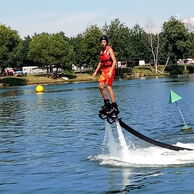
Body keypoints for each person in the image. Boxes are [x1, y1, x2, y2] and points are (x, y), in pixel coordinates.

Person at [92, 35, 119, 118]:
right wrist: (95, 72)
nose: (103, 43)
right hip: (104, 71)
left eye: (104, 42)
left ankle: (114, 106)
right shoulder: (101, 52)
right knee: (100, 86)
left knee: (108, 87)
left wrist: (111, 71)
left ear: (106, 42)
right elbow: (100, 63)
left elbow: (114, 61)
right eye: (101, 42)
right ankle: (107, 104)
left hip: (110, 69)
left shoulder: (109, 50)